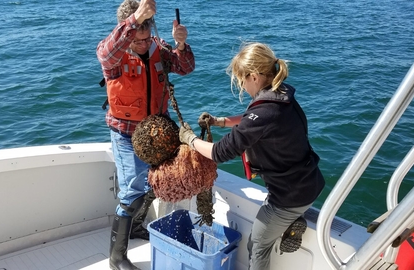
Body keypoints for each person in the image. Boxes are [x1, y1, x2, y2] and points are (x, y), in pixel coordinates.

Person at [179, 42, 324, 270]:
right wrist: (220, 121)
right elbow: (253, 119)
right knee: (266, 228)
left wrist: (190, 140)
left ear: (254, 76)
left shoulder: (266, 111)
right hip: (308, 183)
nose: (243, 85)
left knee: (257, 244)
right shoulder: (281, 94)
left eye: (242, 79)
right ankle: (291, 221)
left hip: (289, 197)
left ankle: (290, 219)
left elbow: (220, 152)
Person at [96, 0, 195, 269]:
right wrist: (134, 19)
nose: (142, 44)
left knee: (156, 183)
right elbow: (104, 53)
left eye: (146, 37)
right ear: (127, 31)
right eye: (137, 39)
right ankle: (117, 258)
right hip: (126, 133)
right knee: (132, 192)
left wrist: (181, 45)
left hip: (157, 132)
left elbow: (185, 67)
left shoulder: (158, 48)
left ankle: (138, 227)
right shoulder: (115, 56)